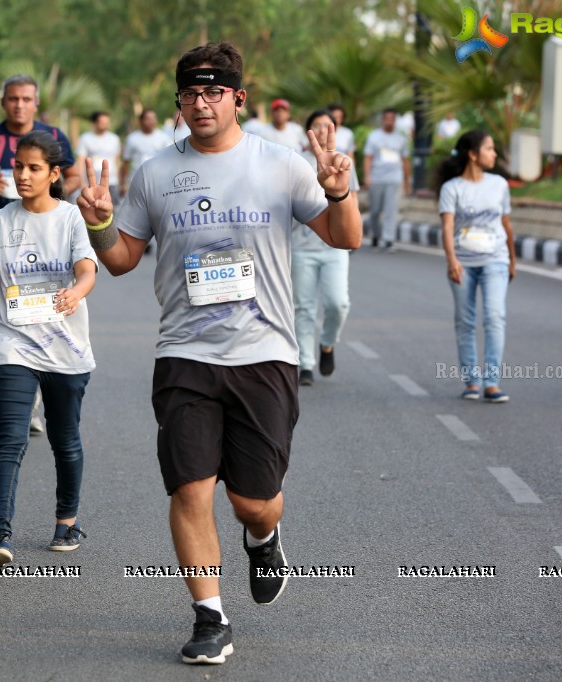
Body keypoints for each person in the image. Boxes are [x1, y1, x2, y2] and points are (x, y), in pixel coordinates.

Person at [77, 41, 361, 665]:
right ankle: (210, 616)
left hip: (264, 354)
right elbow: (122, 261)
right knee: (190, 490)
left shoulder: (282, 165)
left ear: (238, 99)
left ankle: (264, 537)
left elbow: (346, 238)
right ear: (177, 103)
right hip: (185, 353)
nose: (201, 104)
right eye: (189, 94)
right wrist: (99, 223)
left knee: (251, 499)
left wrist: (339, 193)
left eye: (214, 93)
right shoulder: (155, 173)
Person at [0, 131, 98, 567]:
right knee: (9, 439)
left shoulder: (69, 218)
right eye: (18, 167)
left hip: (66, 349)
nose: (23, 175)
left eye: (33, 168)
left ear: (52, 173)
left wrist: (76, 292)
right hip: (13, 346)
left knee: (65, 441)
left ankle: (67, 519)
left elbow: (87, 269)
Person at [437, 130, 515, 403]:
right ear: (473, 154)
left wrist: (513, 260)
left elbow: (506, 224)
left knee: (494, 317)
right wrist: (452, 261)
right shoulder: (452, 188)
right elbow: (447, 227)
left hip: (496, 260)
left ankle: (491, 383)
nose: (494, 154)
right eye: (490, 149)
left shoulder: (499, 184)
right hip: (463, 264)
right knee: (465, 322)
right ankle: (472, 381)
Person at [292, 110, 358, 387]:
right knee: (304, 307)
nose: (321, 130)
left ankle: (327, 343)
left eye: (326, 125)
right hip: (302, 247)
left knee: (337, 303)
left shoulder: (342, 161)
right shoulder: (294, 164)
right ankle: (305, 363)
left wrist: (353, 234)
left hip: (334, 249)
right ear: (308, 131)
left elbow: (351, 201)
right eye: (315, 125)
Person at [0, 74, 81, 213]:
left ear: (36, 103)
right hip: (3, 226)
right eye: (13, 99)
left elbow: (74, 176)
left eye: (26, 99)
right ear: (3, 102)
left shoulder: (54, 136)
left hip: (46, 221)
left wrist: (55, 193)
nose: (19, 105)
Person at [363, 108, 411, 251]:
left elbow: (405, 160)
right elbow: (368, 158)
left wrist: (407, 181)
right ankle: (375, 236)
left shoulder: (401, 139)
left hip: (394, 178)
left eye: (392, 118)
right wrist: (367, 176)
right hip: (377, 177)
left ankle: (389, 239)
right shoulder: (374, 137)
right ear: (383, 120)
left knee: (391, 209)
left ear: (395, 121)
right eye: (387, 118)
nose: (389, 121)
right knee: (375, 210)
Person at [121, 109, 171, 197]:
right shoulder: (132, 139)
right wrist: (123, 184)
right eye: (148, 118)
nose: (152, 121)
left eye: (153, 118)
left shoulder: (164, 138)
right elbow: (126, 162)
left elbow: (170, 161)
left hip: (158, 182)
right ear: (141, 121)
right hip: (137, 182)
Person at [77, 111, 122, 202]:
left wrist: (119, 180)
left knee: (113, 208)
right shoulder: (85, 138)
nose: (105, 125)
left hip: (111, 181)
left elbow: (117, 160)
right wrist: (81, 182)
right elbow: (80, 161)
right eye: (102, 122)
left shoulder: (114, 139)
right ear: (95, 123)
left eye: (107, 122)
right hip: (92, 182)